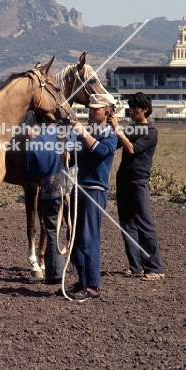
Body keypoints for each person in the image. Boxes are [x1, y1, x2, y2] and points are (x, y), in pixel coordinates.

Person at [108, 92, 165, 281]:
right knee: (127, 226)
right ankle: (136, 266)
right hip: (123, 180)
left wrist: (117, 128)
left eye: (135, 108)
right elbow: (112, 144)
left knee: (144, 224)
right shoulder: (131, 129)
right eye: (130, 108)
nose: (131, 111)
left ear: (145, 110)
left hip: (138, 182)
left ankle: (155, 268)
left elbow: (131, 149)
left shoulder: (151, 132)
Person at [68, 93, 118, 301]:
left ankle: (93, 285)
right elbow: (72, 158)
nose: (90, 111)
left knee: (89, 239)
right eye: (90, 107)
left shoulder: (110, 137)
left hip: (95, 191)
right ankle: (82, 280)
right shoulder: (87, 133)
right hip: (79, 189)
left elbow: (99, 152)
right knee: (75, 240)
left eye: (95, 108)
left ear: (107, 112)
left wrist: (82, 133)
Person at [26, 119, 75, 286]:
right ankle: (75, 267)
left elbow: (31, 173)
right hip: (70, 192)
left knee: (52, 232)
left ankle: (54, 273)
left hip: (50, 194)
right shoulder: (69, 135)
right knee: (73, 228)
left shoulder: (35, 142)